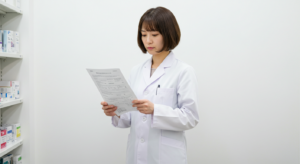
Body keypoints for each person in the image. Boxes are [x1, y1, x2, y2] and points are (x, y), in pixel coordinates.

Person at [101, 6, 199, 164]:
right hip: (136, 154)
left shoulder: (184, 71)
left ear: (168, 34)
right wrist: (116, 112)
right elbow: (129, 118)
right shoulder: (136, 71)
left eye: (154, 34)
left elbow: (190, 118)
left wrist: (155, 110)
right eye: (143, 34)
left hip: (166, 156)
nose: (148, 40)